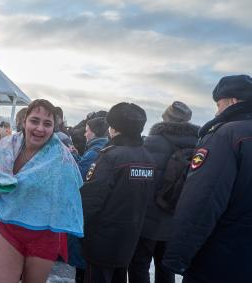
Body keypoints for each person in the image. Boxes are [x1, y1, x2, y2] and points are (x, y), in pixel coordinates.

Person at [0, 99, 84, 283]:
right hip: (9, 228)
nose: (40, 128)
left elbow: (72, 192)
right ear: (24, 121)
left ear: (54, 128)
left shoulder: (62, 157)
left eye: (47, 124)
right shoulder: (6, 145)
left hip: (44, 234)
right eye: (35, 121)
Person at [162, 75, 252, 283]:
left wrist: (177, 257)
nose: (217, 111)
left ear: (233, 101)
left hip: (223, 258)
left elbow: (202, 201)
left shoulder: (225, 136)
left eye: (219, 104)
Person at [80, 102, 155, 283]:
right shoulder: (147, 157)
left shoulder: (111, 156)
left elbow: (90, 199)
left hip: (102, 240)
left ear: (114, 128)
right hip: (129, 239)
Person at [128, 101, 199, 283]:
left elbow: (141, 180)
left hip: (149, 218)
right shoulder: (199, 145)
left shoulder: (151, 142)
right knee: (165, 267)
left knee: (139, 265)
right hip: (177, 217)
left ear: (165, 118)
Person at [68, 116, 109, 283]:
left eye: (86, 131)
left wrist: (72, 159)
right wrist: (78, 156)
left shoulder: (94, 151)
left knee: (80, 250)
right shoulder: (103, 148)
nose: (85, 134)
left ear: (93, 132)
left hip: (85, 207)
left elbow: (80, 176)